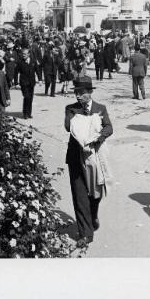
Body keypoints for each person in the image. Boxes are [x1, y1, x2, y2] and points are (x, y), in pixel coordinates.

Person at [64, 76, 113, 246]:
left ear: (90, 93)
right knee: (79, 194)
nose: (78, 96)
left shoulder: (101, 108)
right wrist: (85, 117)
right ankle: (85, 233)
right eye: (76, 93)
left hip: (94, 157)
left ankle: (93, 214)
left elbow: (109, 127)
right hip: (76, 157)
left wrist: (97, 138)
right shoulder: (71, 109)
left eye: (81, 93)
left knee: (95, 192)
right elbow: (68, 126)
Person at [18, 47, 37, 119]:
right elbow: (16, 72)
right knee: (26, 97)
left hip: (31, 83)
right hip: (24, 83)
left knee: (31, 98)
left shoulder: (33, 61)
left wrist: (40, 79)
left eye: (25, 54)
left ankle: (29, 113)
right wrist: (16, 82)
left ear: (29, 54)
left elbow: (37, 70)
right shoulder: (20, 62)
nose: (23, 55)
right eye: (23, 54)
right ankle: (25, 113)